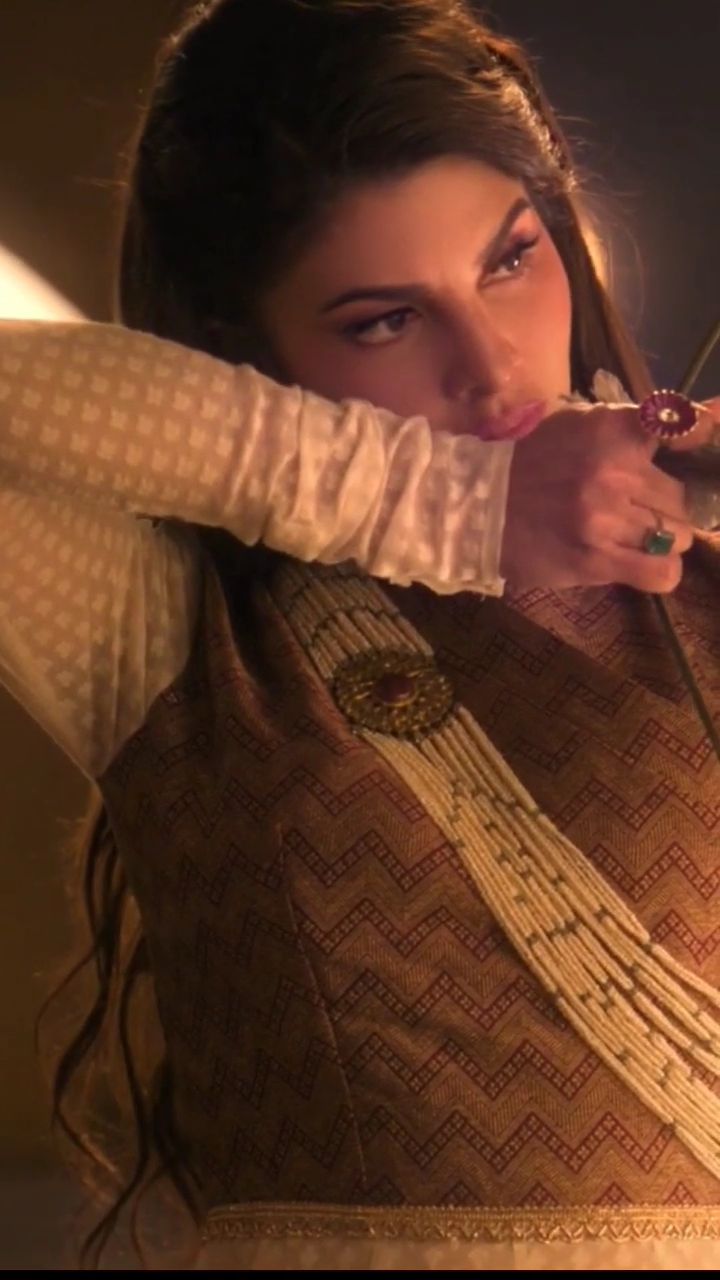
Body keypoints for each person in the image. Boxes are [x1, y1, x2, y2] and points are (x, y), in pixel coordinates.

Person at [1, 0, 719, 1269]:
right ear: (235, 347)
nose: (493, 369)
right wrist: (434, 499)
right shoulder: (171, 627)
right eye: (385, 318)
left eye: (511, 260)